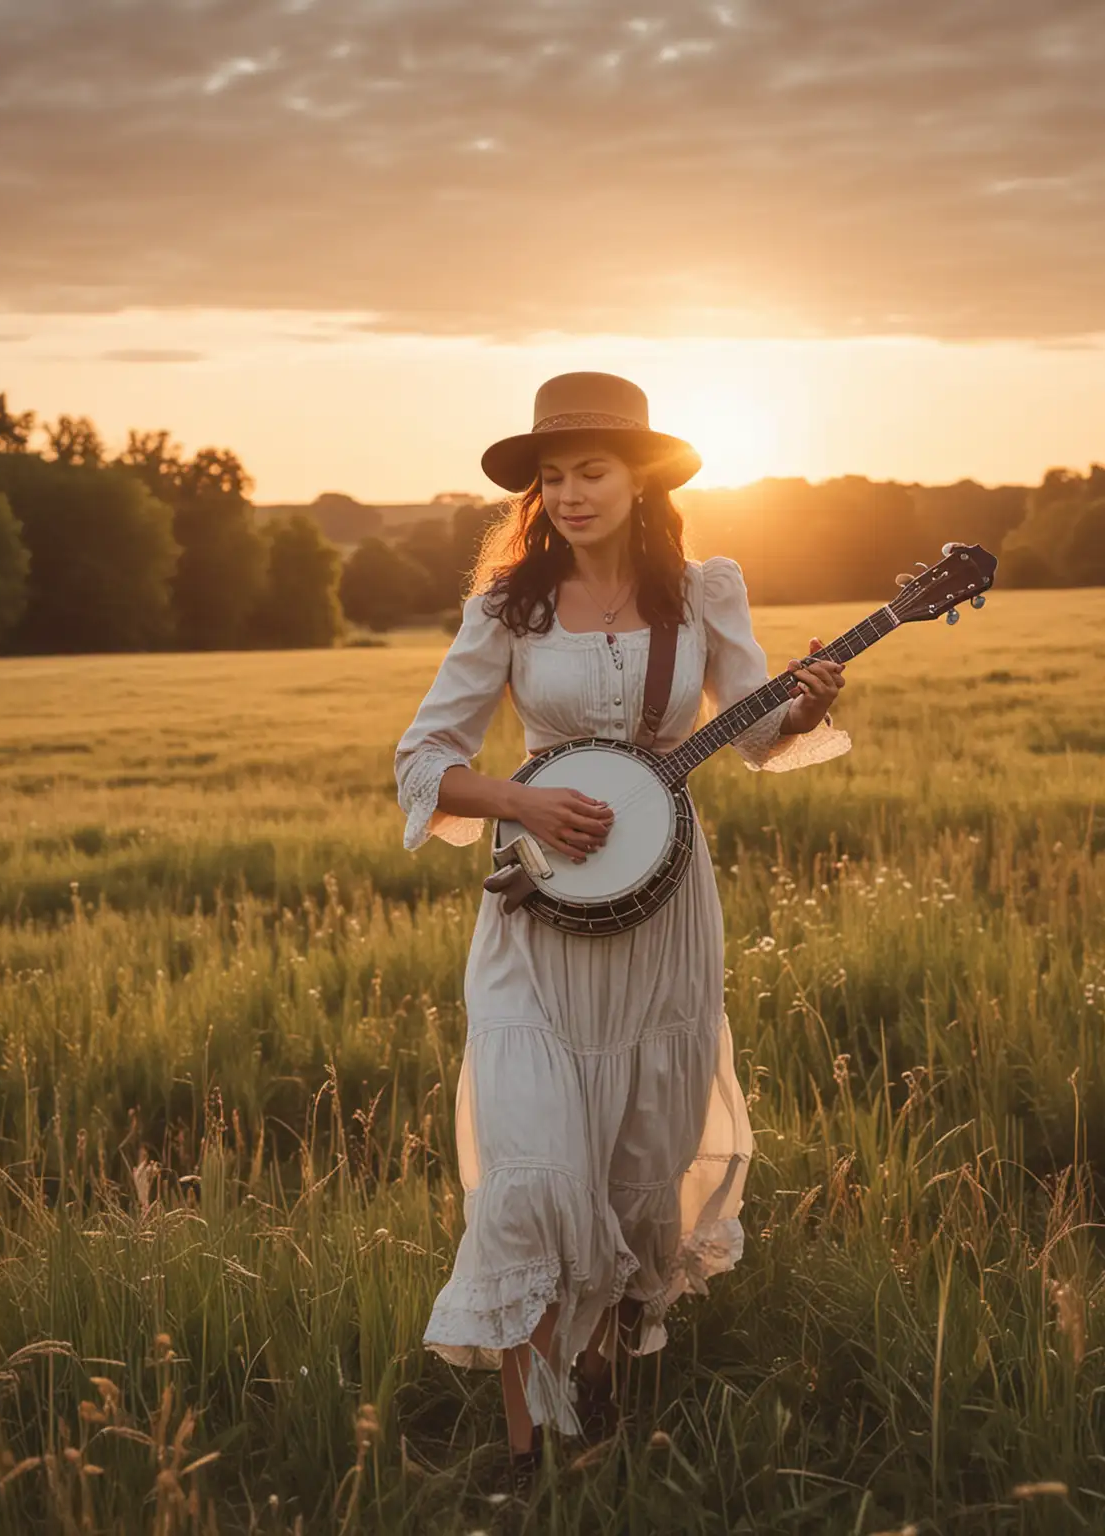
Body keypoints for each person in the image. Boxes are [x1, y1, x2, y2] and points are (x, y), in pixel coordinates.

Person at [393, 372, 850, 1489]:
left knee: (639, 1162)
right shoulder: (507, 609)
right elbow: (422, 762)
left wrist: (811, 701)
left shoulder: (701, 592)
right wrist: (521, 799)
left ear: (641, 474)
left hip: (662, 918)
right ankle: (519, 1457)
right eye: (552, 477)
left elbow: (754, 727)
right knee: (531, 1170)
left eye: (591, 471)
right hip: (536, 914)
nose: (571, 493)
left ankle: (599, 1388)